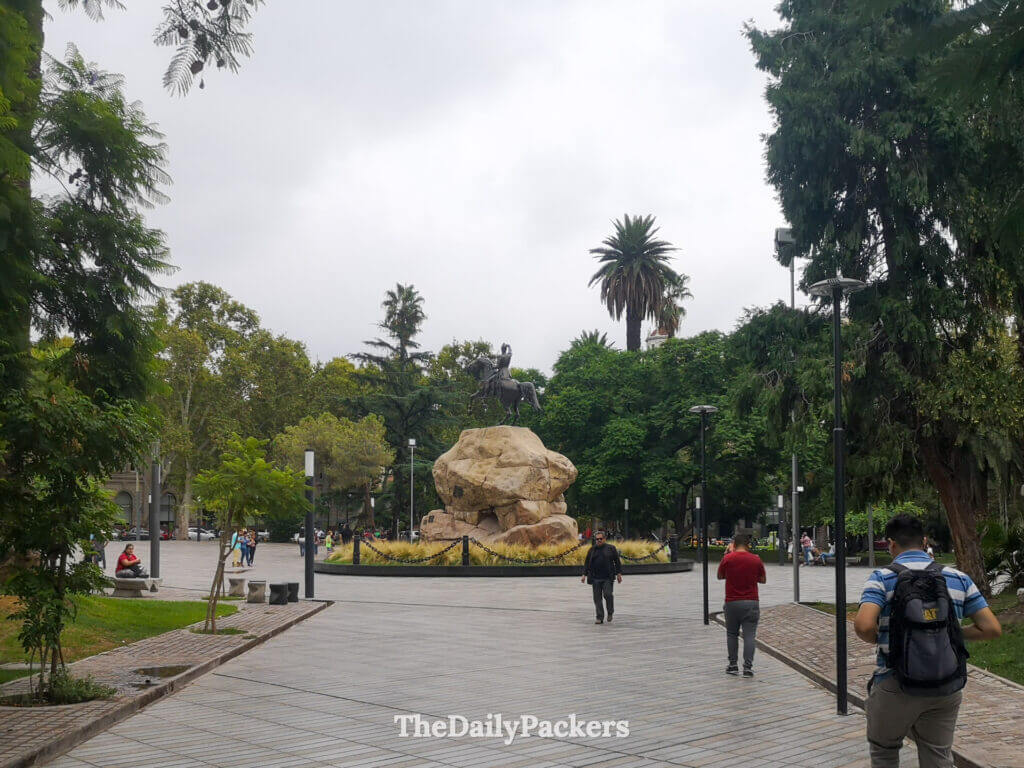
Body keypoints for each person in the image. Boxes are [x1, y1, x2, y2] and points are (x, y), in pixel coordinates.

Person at [854, 514, 1002, 768]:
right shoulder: (958, 578)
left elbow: (863, 625)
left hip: (895, 682)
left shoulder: (882, 578)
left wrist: (882, 637)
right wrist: (954, 633)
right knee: (938, 754)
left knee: (884, 751)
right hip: (946, 684)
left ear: (891, 544)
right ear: (924, 541)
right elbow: (992, 629)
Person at [717, 533, 766, 676]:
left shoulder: (728, 559)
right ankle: (748, 667)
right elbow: (763, 579)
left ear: (734, 544)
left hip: (732, 602)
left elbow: (720, 576)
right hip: (751, 601)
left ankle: (733, 665)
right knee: (749, 635)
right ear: (747, 544)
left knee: (732, 634)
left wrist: (726, 557)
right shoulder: (755, 559)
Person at [580, 530, 622, 624]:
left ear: (604, 539)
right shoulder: (592, 550)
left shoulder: (611, 548)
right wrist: (584, 575)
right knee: (597, 598)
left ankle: (610, 612)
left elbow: (617, 562)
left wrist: (619, 574)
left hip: (607, 577)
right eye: (597, 539)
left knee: (608, 594)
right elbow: (587, 563)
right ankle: (599, 617)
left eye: (600, 539)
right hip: (595, 578)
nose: (598, 540)